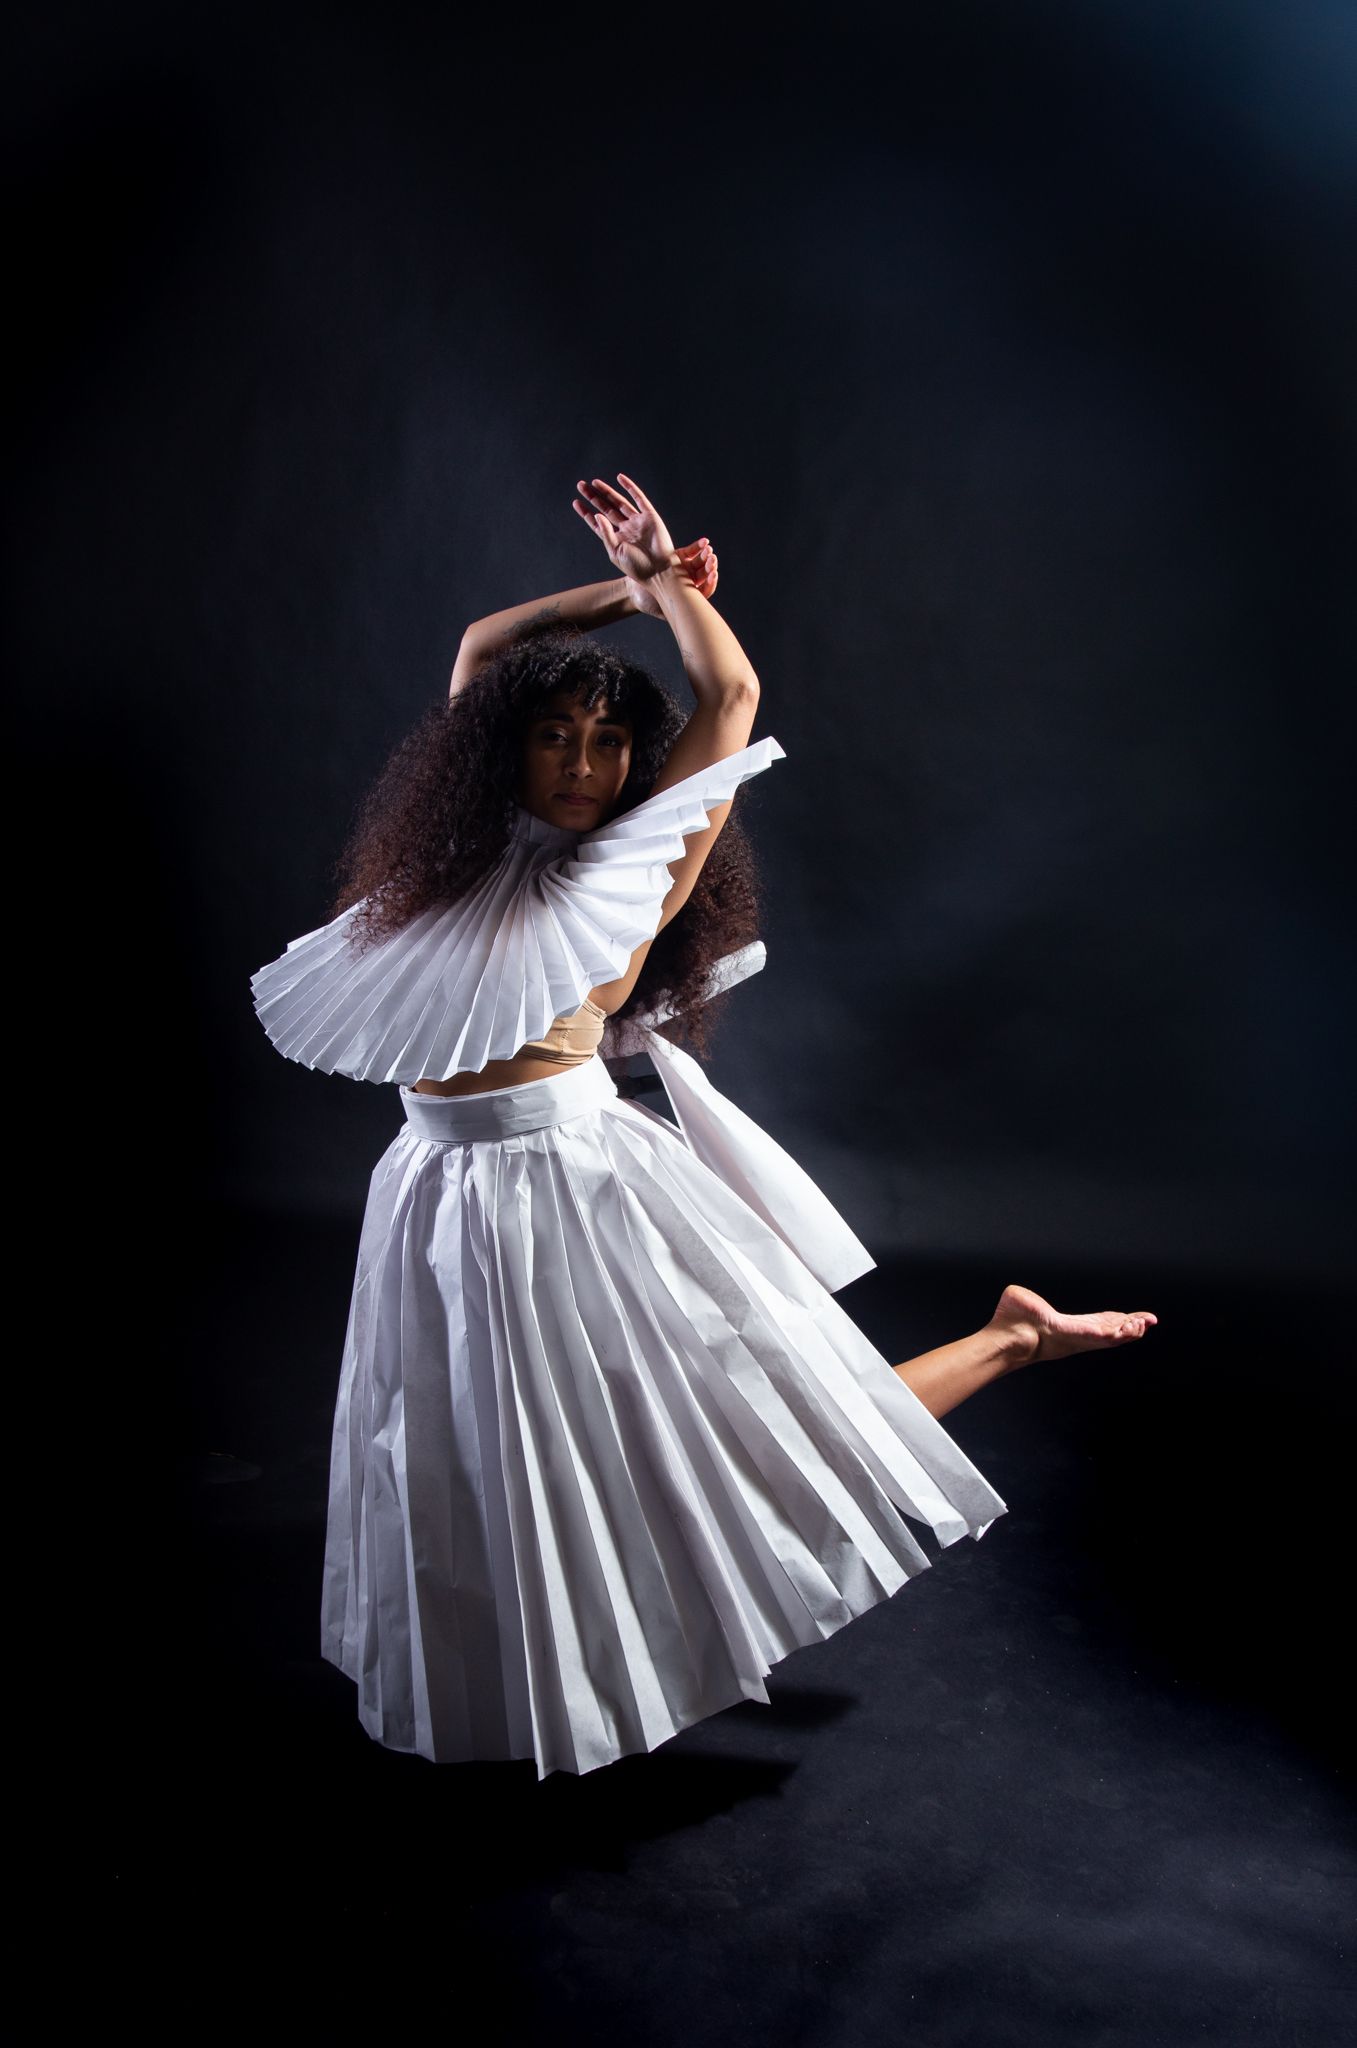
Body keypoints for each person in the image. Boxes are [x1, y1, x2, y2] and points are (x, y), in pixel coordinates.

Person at [250, 470, 1157, 1780]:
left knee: (735, 1443)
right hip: (436, 1192)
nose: (578, 762)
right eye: (554, 735)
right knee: (475, 1472)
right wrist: (611, 591)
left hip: (566, 1190)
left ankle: (1011, 1341)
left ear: (637, 764)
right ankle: (546, 1685)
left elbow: (728, 699)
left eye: (606, 742)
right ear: (507, 748)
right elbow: (480, 652)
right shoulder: (460, 855)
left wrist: (671, 586)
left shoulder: (638, 859)